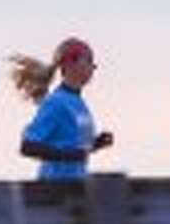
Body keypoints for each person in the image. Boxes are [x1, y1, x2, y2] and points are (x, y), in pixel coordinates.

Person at [9, 38, 113, 181]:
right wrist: (70, 155)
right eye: (88, 60)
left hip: (77, 185)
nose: (93, 67)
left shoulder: (78, 102)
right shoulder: (56, 103)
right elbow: (28, 146)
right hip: (53, 189)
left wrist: (96, 144)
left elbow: (74, 148)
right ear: (69, 64)